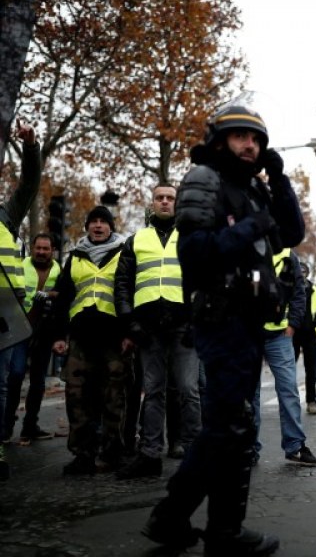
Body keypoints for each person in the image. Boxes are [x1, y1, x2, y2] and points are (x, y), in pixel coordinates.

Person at [141, 103, 304, 556]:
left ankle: (175, 519)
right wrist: (253, 223)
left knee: (230, 427)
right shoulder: (203, 180)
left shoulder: (251, 187)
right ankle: (221, 531)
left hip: (248, 320)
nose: (250, 145)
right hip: (220, 316)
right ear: (219, 141)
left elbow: (292, 231)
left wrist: (280, 179)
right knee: (229, 428)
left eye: (257, 140)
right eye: (240, 137)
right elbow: (193, 253)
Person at [114, 184, 201, 479]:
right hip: (148, 327)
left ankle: (193, 454)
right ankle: (150, 455)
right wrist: (131, 322)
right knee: (152, 392)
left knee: (189, 391)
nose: (165, 202)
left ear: (177, 203)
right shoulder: (136, 239)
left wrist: (195, 321)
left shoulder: (191, 238)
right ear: (151, 203)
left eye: (170, 198)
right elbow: (123, 283)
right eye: (159, 198)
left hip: (183, 325)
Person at [51, 206, 129, 475]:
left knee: (114, 398)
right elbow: (62, 298)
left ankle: (112, 453)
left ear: (111, 227)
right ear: (87, 227)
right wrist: (59, 336)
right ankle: (82, 455)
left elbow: (130, 293)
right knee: (77, 397)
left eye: (103, 222)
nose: (97, 226)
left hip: (114, 337)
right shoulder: (75, 257)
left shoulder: (124, 253)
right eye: (93, 222)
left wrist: (130, 333)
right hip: (81, 338)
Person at [0, 120, 41, 481]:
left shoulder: (6, 216)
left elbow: (29, 184)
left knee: (4, 382)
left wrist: (30, 147)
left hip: (5, 317)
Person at [253, 247, 316, 467]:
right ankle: (248, 448)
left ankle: (295, 446)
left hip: (279, 335)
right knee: (249, 394)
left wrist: (292, 325)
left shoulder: (287, 254)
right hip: (249, 334)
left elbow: (299, 292)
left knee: (289, 389)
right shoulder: (244, 245)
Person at [4, 233, 60, 442]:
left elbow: (64, 293)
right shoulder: (21, 265)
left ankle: (30, 426)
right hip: (19, 330)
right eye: (38, 248)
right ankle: (6, 426)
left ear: (52, 250)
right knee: (16, 374)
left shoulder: (59, 270)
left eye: (46, 249)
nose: (41, 252)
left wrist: (53, 294)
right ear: (33, 248)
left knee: (38, 381)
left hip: (44, 333)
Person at [293, 262, 316, 415]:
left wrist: (315, 324)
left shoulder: (315, 290)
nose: (302, 273)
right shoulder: (289, 287)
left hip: (310, 334)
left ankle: (311, 401)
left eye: (304, 271)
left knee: (311, 371)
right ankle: (290, 401)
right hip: (291, 332)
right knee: (288, 370)